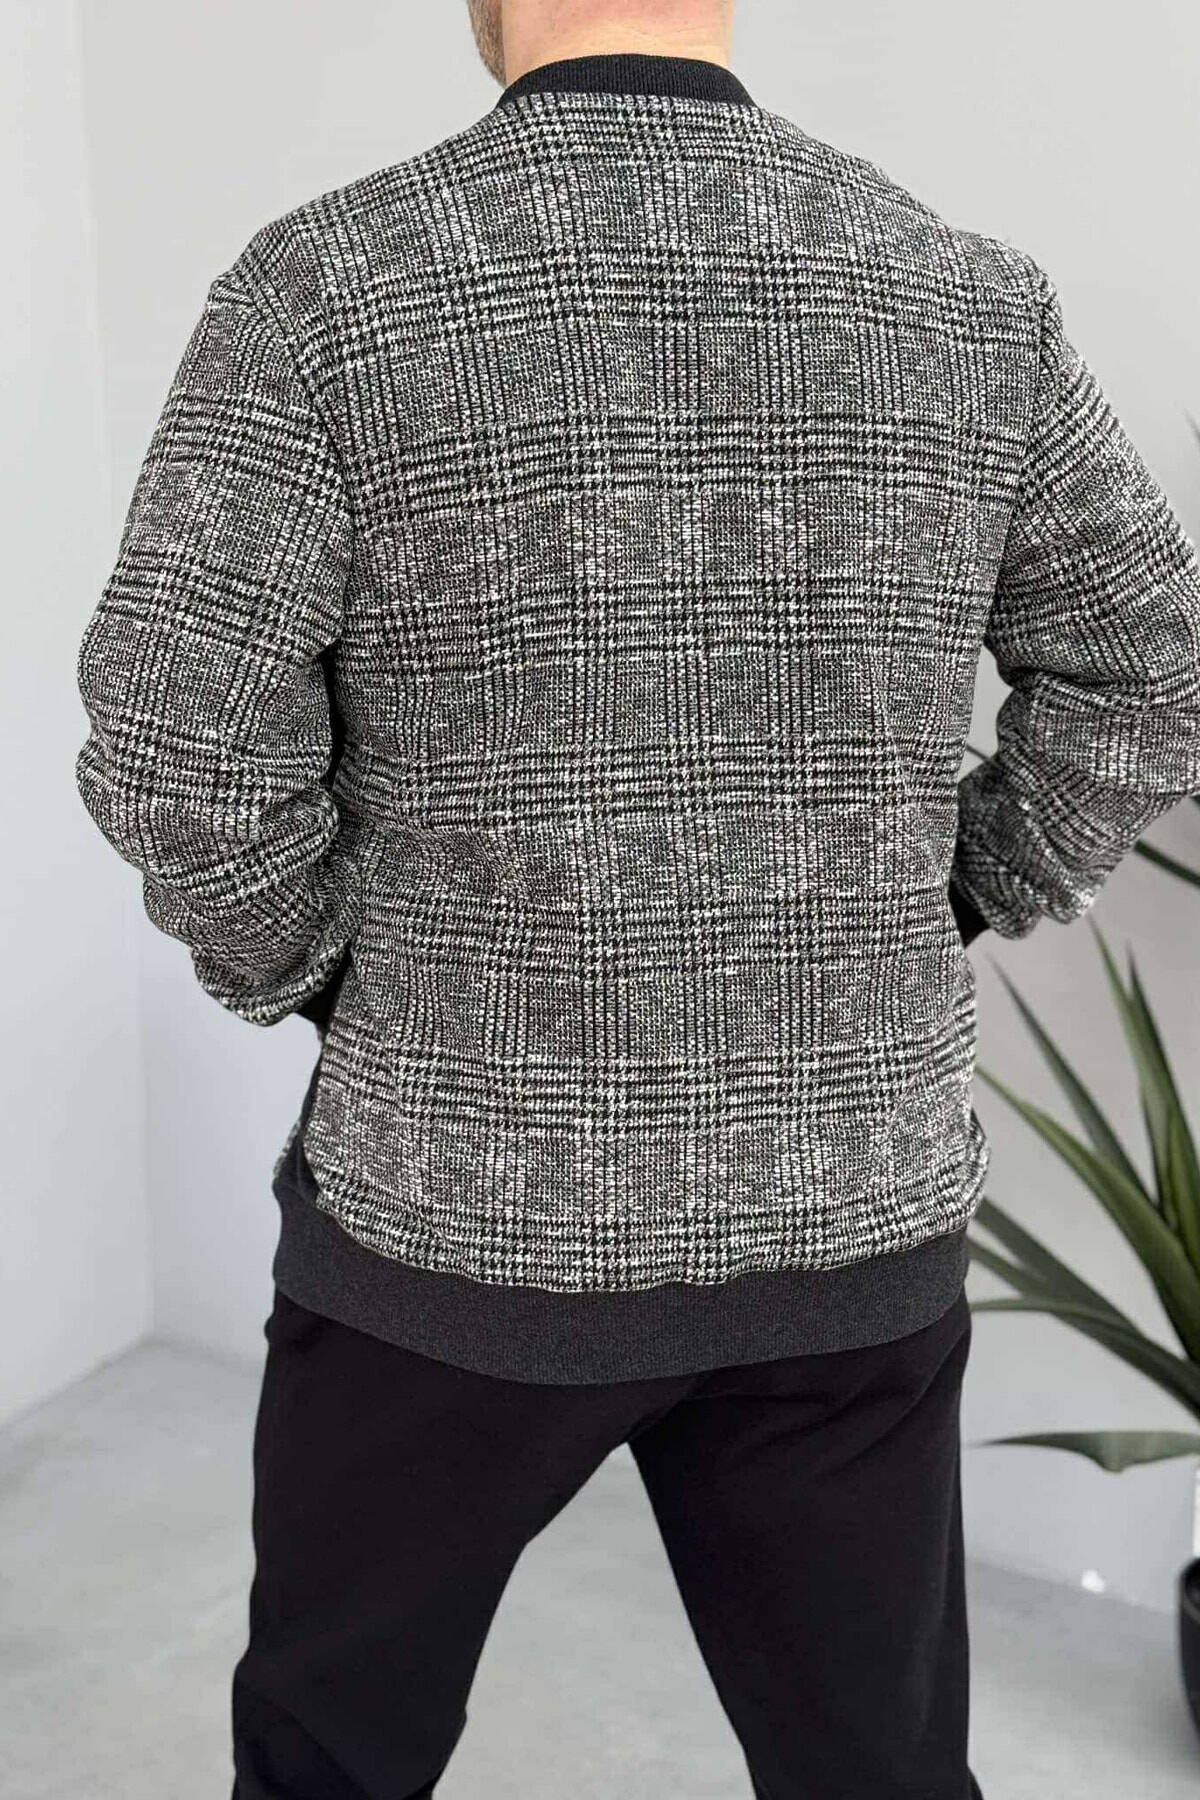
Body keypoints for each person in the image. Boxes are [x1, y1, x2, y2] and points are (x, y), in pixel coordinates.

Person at [72, 2, 1200, 1795]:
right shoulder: (963, 296)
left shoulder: (331, 288)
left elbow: (173, 733)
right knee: (879, 1776)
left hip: (455, 1216)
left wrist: (334, 975)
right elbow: (1147, 669)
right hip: (847, 1205)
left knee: (328, 1764)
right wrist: (951, 900)